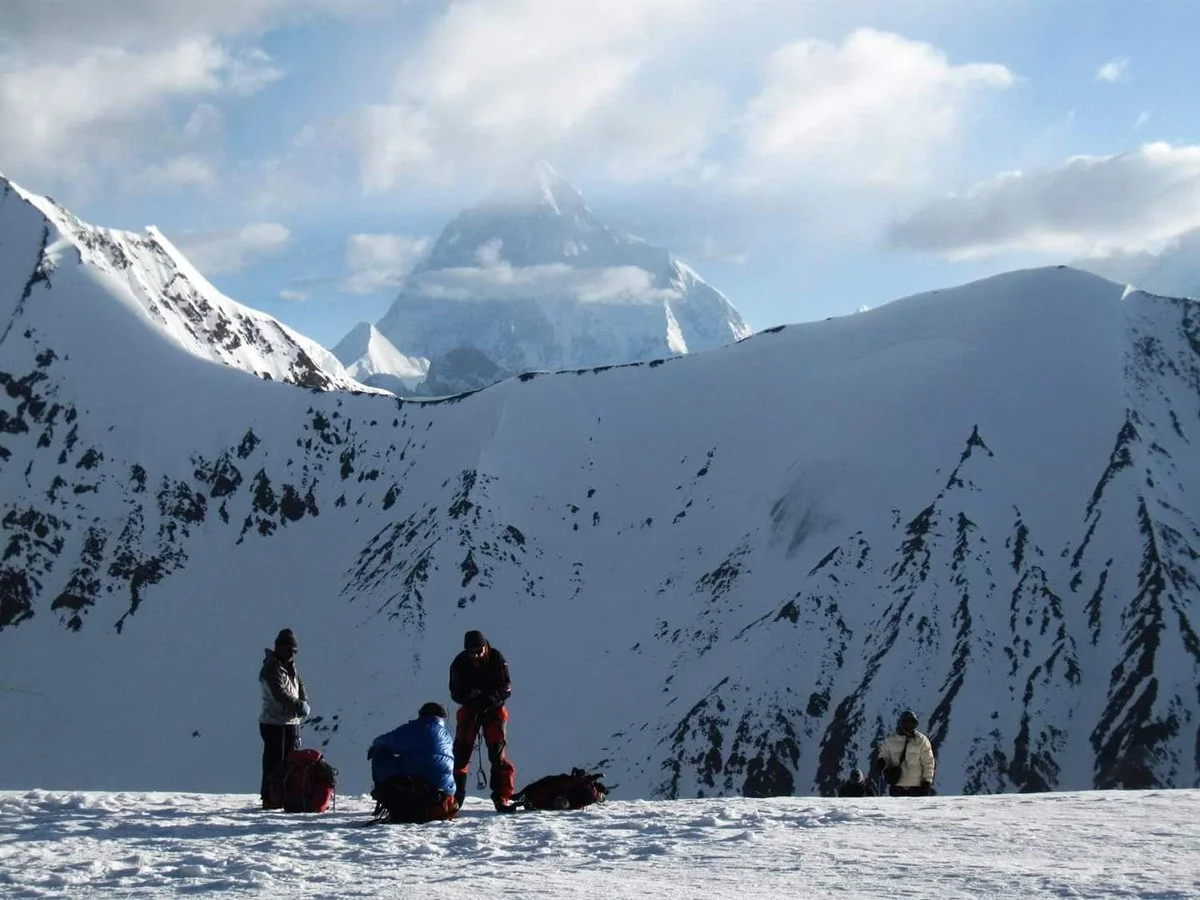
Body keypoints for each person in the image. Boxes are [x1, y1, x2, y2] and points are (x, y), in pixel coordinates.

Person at [449, 630, 516, 812]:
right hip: (470, 708)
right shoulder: (459, 663)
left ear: (485, 646)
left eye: (478, 651)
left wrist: (490, 698)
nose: (476, 655)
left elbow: (507, 688)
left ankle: (501, 797)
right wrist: (468, 697)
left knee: (497, 754)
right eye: (472, 653)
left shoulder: (497, 659)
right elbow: (455, 692)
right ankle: (455, 797)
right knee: (461, 753)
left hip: (493, 708)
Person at [368, 702, 458, 823]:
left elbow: (385, 741)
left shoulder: (415, 728)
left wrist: (375, 748)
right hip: (444, 792)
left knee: (379, 753)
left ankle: (384, 794)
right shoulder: (447, 736)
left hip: (416, 783)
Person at [258, 628, 310, 807]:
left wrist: (304, 700)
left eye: (294, 650)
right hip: (275, 722)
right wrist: (299, 705)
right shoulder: (272, 668)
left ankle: (283, 795)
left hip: (289, 722)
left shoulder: (289, 667)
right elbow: (279, 694)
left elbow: (299, 684)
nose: (292, 653)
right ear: (278, 647)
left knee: (288, 761)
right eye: (289, 649)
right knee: (275, 761)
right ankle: (270, 797)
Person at [873, 710, 936, 796]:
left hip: (917, 788)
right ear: (901, 723)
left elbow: (928, 763)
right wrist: (882, 762)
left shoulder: (921, 740)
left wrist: (927, 781)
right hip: (898, 787)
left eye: (912, 723)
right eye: (906, 722)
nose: (909, 725)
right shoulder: (891, 740)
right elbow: (884, 755)